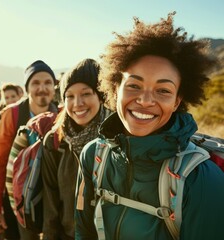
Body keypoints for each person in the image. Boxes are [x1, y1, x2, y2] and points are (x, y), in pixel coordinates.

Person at [75, 13, 224, 240]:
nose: (145, 100)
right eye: (134, 85)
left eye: (163, 90)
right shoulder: (94, 156)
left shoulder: (201, 178)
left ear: (177, 101)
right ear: (116, 90)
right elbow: (83, 231)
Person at [41, 59, 111, 240]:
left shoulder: (119, 136)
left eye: (86, 93)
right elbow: (51, 200)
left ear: (101, 96)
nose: (77, 103)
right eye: (70, 96)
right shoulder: (55, 141)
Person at [0, 60, 58, 240]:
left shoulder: (62, 114)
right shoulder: (12, 115)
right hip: (17, 197)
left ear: (54, 87)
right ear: (27, 88)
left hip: (53, 196)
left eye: (47, 82)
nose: (42, 88)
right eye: (35, 83)